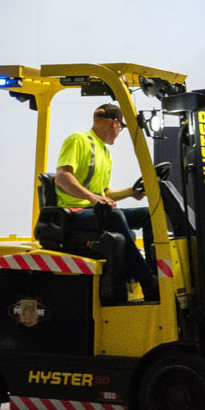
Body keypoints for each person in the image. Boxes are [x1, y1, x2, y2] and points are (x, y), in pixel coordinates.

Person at [53, 102, 157, 299]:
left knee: (147, 214)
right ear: (115, 123)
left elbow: (104, 191)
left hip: (94, 210)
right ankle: (146, 279)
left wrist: (131, 192)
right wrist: (92, 198)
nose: (119, 133)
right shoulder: (78, 140)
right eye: (120, 129)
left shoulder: (105, 152)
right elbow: (62, 177)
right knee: (115, 215)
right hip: (73, 212)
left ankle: (157, 271)